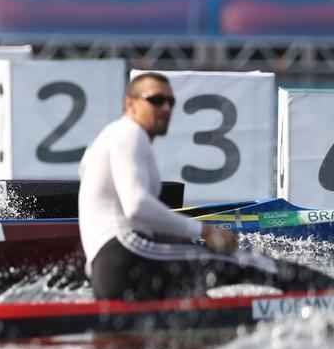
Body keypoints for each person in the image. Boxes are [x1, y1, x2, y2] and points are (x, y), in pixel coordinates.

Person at [78, 71, 333, 301]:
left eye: (171, 102)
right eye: (156, 100)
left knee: (199, 293)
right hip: (128, 255)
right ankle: (327, 294)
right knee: (253, 263)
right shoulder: (129, 133)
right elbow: (137, 207)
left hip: (108, 273)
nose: (166, 108)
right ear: (130, 104)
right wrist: (205, 232)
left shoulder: (106, 140)